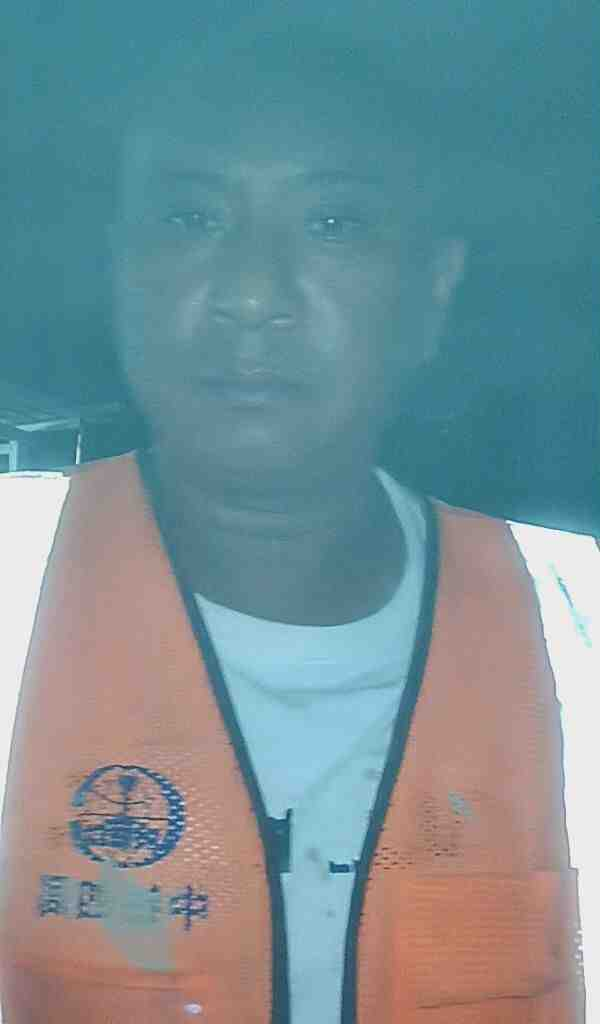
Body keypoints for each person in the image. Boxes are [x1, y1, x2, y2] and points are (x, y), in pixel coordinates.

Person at [0, 17, 585, 1023]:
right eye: (190, 218)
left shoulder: (576, 626)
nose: (251, 293)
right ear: (121, 270)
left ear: (431, 290)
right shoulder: (13, 588)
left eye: (333, 224)